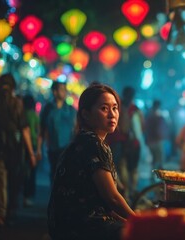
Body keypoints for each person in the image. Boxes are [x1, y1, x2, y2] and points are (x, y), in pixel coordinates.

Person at [47, 83, 135, 240]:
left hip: (69, 223)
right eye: (104, 108)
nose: (112, 114)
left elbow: (106, 204)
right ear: (86, 114)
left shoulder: (88, 140)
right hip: (79, 227)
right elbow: (112, 198)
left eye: (115, 108)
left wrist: (129, 221)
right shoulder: (91, 144)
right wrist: (140, 222)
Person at [0, 73, 36, 228]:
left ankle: (3, 212)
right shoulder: (7, 103)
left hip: (5, 148)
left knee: (5, 181)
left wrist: (30, 153)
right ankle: (4, 213)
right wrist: (31, 153)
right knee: (7, 181)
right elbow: (24, 129)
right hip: (7, 148)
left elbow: (24, 129)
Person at [106, 86, 145, 201]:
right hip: (122, 143)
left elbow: (140, 127)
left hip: (127, 143)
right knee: (122, 168)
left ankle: (128, 193)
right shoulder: (122, 107)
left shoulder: (129, 108)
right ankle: (126, 193)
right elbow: (141, 128)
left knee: (125, 168)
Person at [39, 81, 76, 184]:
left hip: (67, 148)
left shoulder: (70, 109)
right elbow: (42, 129)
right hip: (53, 148)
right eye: (61, 90)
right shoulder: (48, 109)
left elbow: (76, 128)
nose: (64, 92)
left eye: (65, 89)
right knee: (54, 173)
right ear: (54, 92)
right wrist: (39, 149)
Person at [22, 94, 40, 207]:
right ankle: (29, 196)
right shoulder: (35, 115)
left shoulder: (24, 115)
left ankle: (26, 195)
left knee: (26, 171)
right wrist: (38, 149)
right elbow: (39, 133)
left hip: (24, 146)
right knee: (32, 172)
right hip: (33, 145)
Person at [145, 100, 168, 172]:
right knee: (158, 158)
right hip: (156, 140)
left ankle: (154, 174)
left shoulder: (149, 114)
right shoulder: (156, 115)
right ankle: (158, 174)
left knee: (155, 158)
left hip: (152, 139)